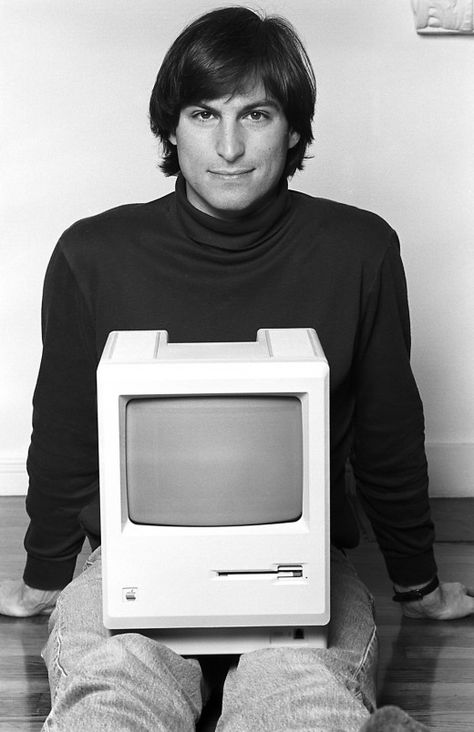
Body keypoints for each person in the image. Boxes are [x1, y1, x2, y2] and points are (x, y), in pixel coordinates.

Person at [1, 6, 473, 730]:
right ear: (171, 127)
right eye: (202, 113)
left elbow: (387, 429)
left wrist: (417, 583)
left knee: (307, 697)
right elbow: (66, 426)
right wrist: (44, 574)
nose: (228, 146)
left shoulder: (360, 249)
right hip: (135, 568)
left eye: (255, 113)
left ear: (293, 129)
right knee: (114, 691)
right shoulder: (93, 254)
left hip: (301, 568)